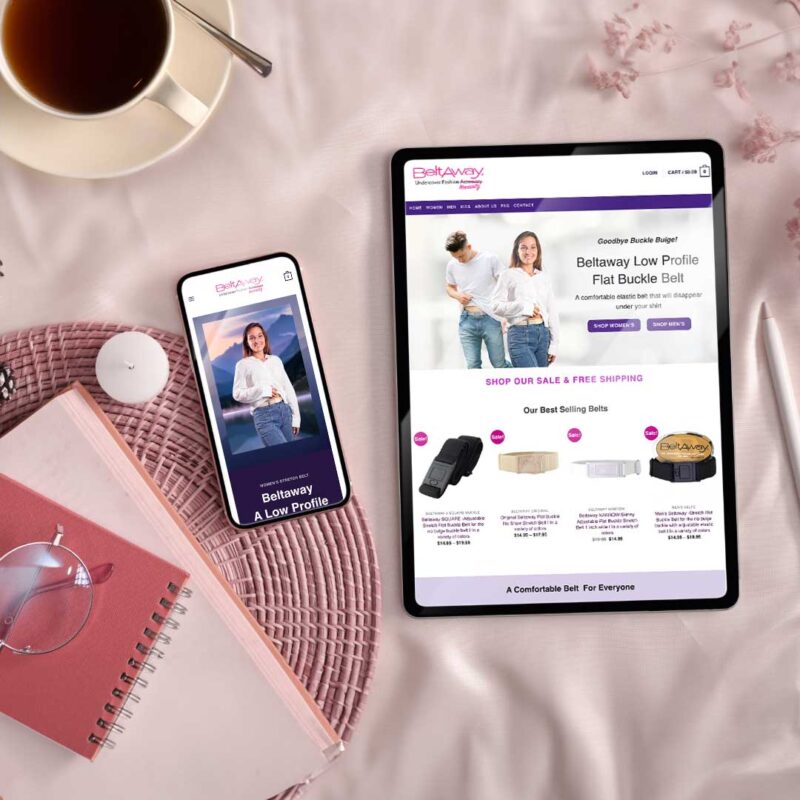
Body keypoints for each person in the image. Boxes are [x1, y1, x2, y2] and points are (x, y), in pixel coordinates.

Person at [490, 230, 559, 368]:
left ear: (538, 250)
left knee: (542, 384)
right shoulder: (508, 275)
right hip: (519, 336)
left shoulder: (543, 277)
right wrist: (523, 307)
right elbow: (495, 306)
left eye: (533, 247)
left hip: (543, 335)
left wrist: (554, 344)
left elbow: (552, 310)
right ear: (517, 251)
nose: (529, 252)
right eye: (524, 247)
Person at [444, 230, 508, 369]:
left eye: (461, 256)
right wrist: (458, 296)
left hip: (491, 317)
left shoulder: (490, 259)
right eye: (456, 257)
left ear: (469, 247)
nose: (459, 260)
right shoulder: (452, 265)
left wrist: (505, 315)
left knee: (499, 365)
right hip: (467, 320)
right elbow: (449, 288)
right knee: (473, 365)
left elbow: (506, 284)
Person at [232, 322, 300, 446]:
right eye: (251, 338)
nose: (257, 340)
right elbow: (237, 394)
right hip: (264, 416)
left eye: (260, 336)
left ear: (265, 338)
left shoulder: (275, 360)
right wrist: (263, 390)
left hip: (285, 411)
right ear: (247, 342)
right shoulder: (242, 365)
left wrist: (296, 417)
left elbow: (288, 388)